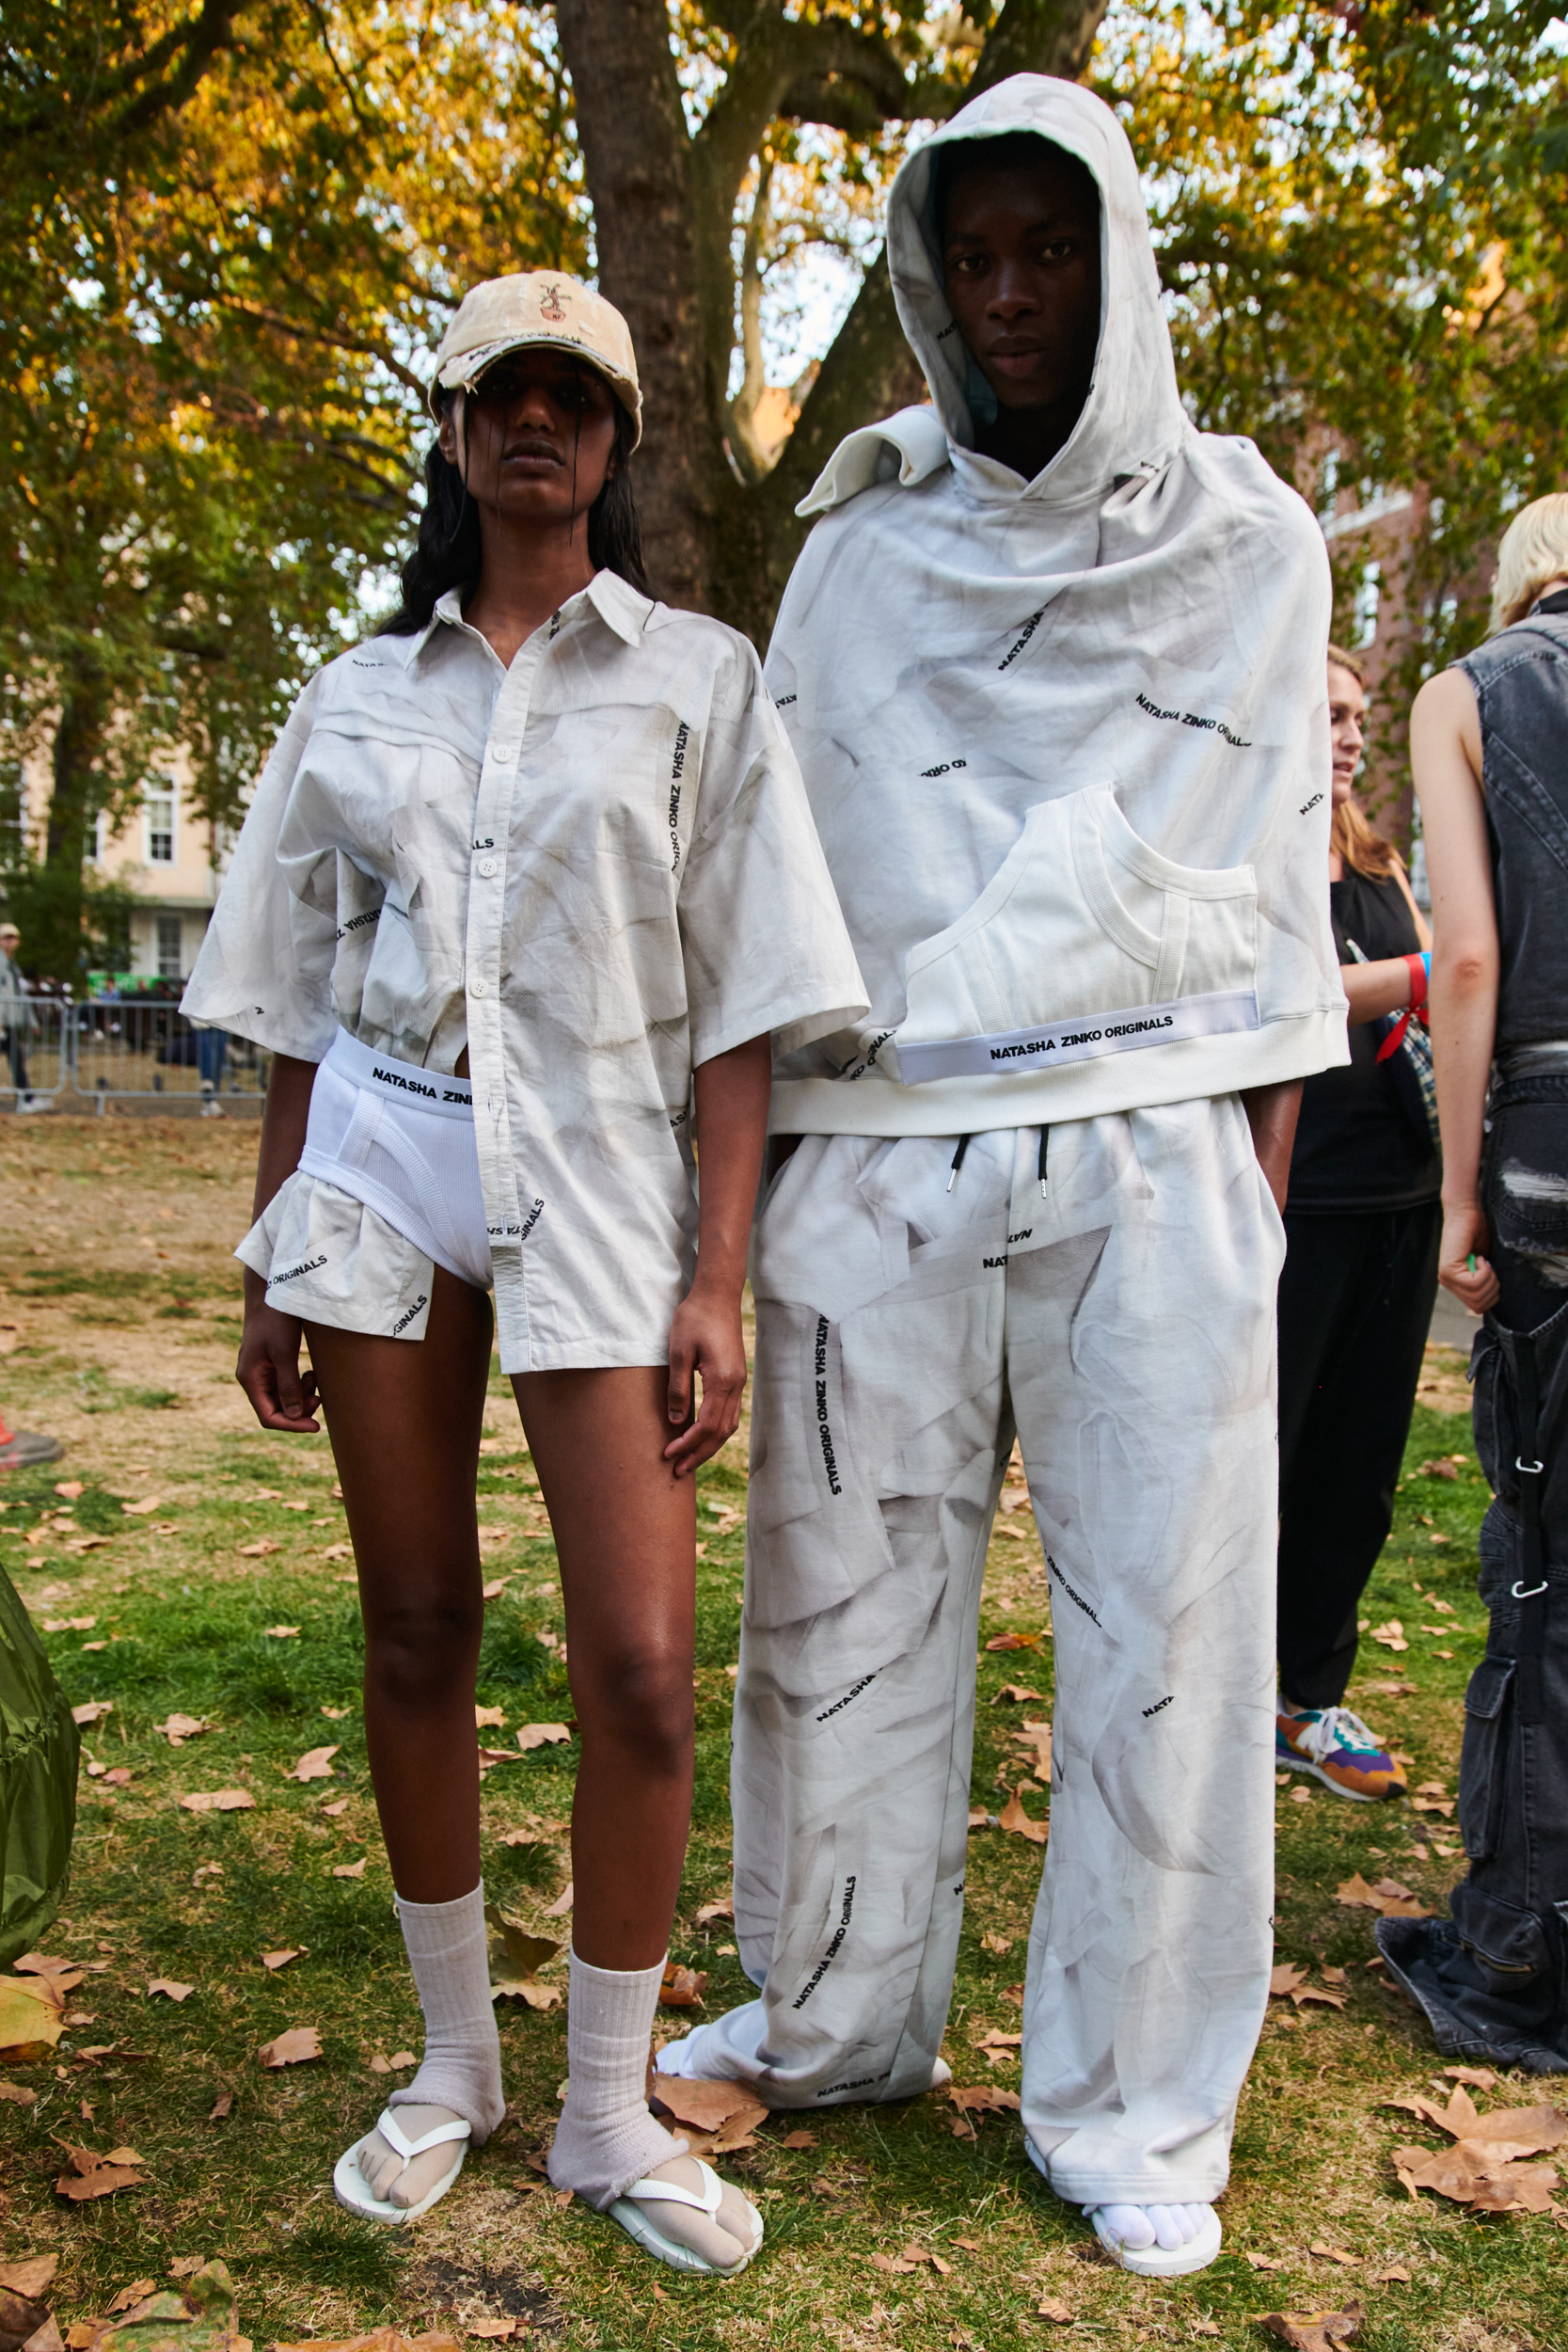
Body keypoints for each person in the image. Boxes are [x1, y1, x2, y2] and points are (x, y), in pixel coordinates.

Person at [657, 77, 1343, 2278]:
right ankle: (845, 2007)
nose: (1016, 292)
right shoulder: (855, 557)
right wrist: (741, 1216)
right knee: (842, 1611)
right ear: (929, 282)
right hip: (882, 1151)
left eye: (1053, 248)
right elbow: (784, 891)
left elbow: (1264, 925)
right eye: (977, 255)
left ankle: (1135, 2099)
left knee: (1171, 1629)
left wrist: (1243, 1207)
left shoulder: (1248, 544)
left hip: (1153, 1156)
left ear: (1118, 262)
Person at [180, 272, 866, 2266]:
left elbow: (738, 1005)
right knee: (414, 1619)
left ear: (615, 435)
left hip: (596, 1161)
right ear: (457, 430)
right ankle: (455, 2064)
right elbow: (301, 991)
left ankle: (599, 2108)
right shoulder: (359, 691)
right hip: (387, 1153)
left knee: (641, 1668)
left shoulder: (698, 681)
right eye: (501, 393)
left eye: (573, 396)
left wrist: (714, 1275)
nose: (535, 424)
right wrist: (269, 1246)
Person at [1376, 491, 1568, 2068]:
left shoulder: (1471, 689)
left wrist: (1456, 1197)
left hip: (1552, 1153)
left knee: (1542, 1553)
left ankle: (1516, 1952)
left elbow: (1471, 959)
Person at [1275, 646, 1438, 1801]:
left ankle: (1309, 1698)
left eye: (1358, 715)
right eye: (1328, 713)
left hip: (1403, 1195)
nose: (1349, 733)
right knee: (1264, 1455)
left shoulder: (1377, 859)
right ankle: (1223, 1691)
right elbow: (1273, 993)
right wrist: (1426, 973)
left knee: (1359, 1468)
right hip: (1303, 1199)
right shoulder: (1261, 852)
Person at [0, 922, 40, 1110]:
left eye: (13, 937)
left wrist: (32, 1020)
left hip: (10, 1023)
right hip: (2, 1022)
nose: (10, 941)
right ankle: (27, 1099)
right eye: (6, 937)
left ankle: (26, 1099)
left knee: (17, 1060)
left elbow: (20, 995)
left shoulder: (12, 965)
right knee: (17, 1059)